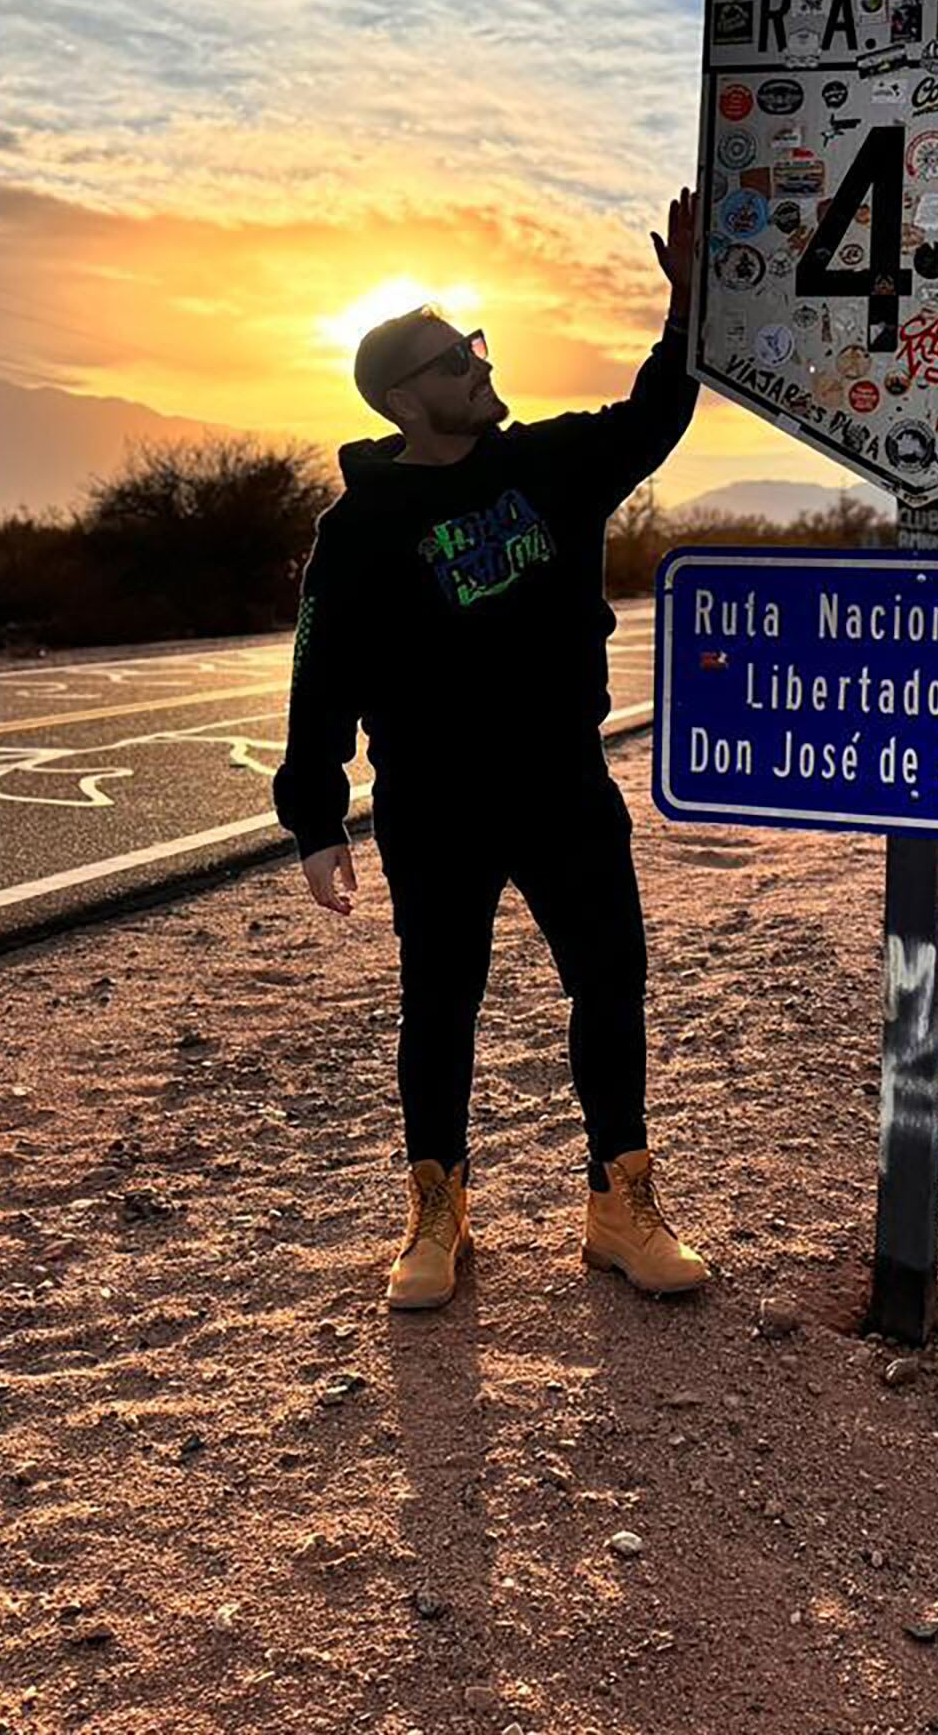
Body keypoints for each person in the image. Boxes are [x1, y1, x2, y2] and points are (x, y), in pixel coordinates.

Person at [271, 190, 711, 1312]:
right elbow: (322, 676)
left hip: (564, 781)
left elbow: (657, 412)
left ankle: (620, 1204)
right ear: (402, 395)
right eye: (451, 356)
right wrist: (315, 817)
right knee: (440, 1000)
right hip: (432, 801)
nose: (478, 363)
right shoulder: (358, 529)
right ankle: (438, 1210)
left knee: (609, 982)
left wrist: (688, 301)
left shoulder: (551, 466)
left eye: (475, 343)